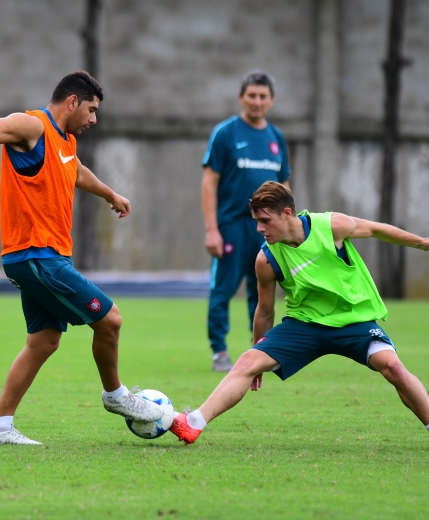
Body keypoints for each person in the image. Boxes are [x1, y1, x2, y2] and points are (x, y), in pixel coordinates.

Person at [0, 71, 164, 445]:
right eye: (91, 110)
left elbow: (77, 171)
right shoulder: (31, 125)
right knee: (111, 320)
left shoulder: (65, 141)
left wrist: (110, 195)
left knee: (45, 341)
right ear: (72, 102)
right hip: (36, 255)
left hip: (43, 258)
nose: (94, 119)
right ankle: (116, 396)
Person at [169, 181, 429, 445]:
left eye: (265, 220)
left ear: (286, 213)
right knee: (246, 362)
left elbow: (375, 229)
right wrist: (257, 356)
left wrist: (421, 243)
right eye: (256, 221)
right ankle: (193, 423)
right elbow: (265, 312)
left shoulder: (331, 227)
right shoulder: (266, 259)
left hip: (353, 322)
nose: (259, 228)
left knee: (394, 367)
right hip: (304, 326)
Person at [202, 70, 291, 372]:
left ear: (271, 101)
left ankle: (262, 350)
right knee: (223, 289)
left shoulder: (276, 138)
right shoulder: (225, 133)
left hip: (268, 230)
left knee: (263, 290)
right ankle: (219, 352)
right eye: (251, 95)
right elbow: (209, 183)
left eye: (262, 96)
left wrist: (289, 229)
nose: (256, 101)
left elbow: (284, 188)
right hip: (232, 226)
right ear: (241, 98)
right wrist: (212, 229)